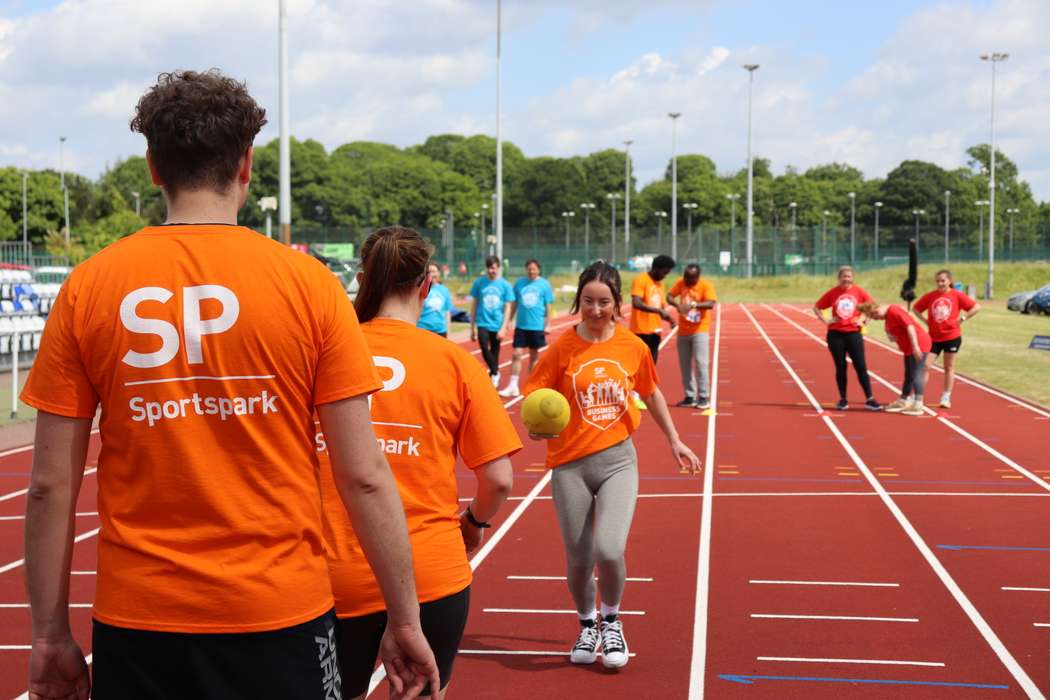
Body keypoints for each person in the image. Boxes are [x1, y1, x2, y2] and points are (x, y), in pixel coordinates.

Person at [19, 70, 438, 700]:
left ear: (153, 167)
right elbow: (365, 473)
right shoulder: (309, 285)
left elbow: (51, 486)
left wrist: (49, 633)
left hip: (140, 620)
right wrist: (404, 617)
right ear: (246, 164)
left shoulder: (90, 286)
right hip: (280, 614)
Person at [319, 227, 520, 700]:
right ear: (425, 286)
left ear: (364, 279)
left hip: (333, 573)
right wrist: (474, 522)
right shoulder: (455, 363)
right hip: (429, 572)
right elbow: (499, 479)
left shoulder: (321, 355)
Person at [523, 261, 700, 671]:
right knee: (580, 558)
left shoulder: (632, 346)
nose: (596, 309)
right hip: (569, 464)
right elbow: (535, 394)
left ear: (617, 303)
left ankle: (612, 619)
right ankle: (587, 624)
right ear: (579, 301)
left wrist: (674, 439)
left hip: (618, 460)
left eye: (604, 302)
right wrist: (538, 427)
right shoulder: (563, 348)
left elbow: (651, 393)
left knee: (609, 548)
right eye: (588, 301)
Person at [813, 266, 881, 411]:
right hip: (835, 335)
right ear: (839, 278)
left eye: (849, 276)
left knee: (861, 366)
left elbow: (872, 306)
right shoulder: (833, 293)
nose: (846, 279)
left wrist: (864, 319)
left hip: (853, 334)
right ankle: (843, 399)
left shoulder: (859, 291)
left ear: (853, 278)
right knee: (841, 367)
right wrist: (826, 320)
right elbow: (817, 307)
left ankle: (870, 399)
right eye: (844, 276)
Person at [911, 269, 980, 409]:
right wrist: (926, 321)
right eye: (937, 281)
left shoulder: (957, 295)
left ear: (949, 281)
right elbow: (916, 308)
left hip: (951, 337)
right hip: (933, 338)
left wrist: (962, 319)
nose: (940, 283)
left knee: (948, 367)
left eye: (943, 281)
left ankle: (946, 396)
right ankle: (918, 396)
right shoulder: (931, 296)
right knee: (925, 366)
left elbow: (976, 307)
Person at [859, 301, 932, 416]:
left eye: (874, 317)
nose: (876, 319)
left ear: (876, 311)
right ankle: (903, 400)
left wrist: (915, 346)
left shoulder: (894, 311)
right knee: (909, 375)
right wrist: (894, 338)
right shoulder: (888, 317)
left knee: (917, 373)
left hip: (919, 343)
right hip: (909, 347)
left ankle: (918, 404)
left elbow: (910, 326)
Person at [499, 259, 554, 398]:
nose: (531, 271)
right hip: (521, 326)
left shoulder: (544, 285)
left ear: (538, 270)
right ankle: (513, 386)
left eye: (534, 269)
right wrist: (510, 320)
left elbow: (549, 306)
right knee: (516, 354)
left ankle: (531, 385)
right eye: (529, 269)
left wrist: (548, 323)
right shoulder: (519, 284)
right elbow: (514, 303)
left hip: (536, 326)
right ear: (526, 270)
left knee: (534, 355)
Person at [666, 264, 717, 409]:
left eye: (691, 277)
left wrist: (692, 305)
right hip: (683, 330)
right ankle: (690, 396)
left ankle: (703, 396)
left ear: (698, 276)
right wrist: (677, 306)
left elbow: (710, 303)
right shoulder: (681, 283)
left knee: (701, 364)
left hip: (700, 329)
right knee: (685, 365)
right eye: (686, 276)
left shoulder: (706, 286)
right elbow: (669, 296)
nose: (687, 279)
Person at [628, 254, 676, 409]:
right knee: (637, 366)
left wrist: (668, 317)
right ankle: (633, 397)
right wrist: (658, 311)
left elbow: (660, 307)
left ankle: (642, 395)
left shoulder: (659, 285)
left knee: (650, 367)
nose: (665, 276)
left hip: (655, 331)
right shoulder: (641, 280)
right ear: (656, 268)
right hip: (640, 330)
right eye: (664, 272)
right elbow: (636, 303)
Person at [470, 255, 514, 387]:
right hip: (482, 322)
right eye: (489, 268)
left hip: (497, 323)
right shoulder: (479, 283)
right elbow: (474, 304)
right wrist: (472, 327)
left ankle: (493, 375)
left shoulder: (505, 285)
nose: (492, 271)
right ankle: (495, 372)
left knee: (495, 351)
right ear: (486, 268)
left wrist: (504, 327)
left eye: (494, 268)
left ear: (499, 268)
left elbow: (508, 307)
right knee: (484, 347)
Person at [417, 262, 455, 337]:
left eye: (434, 271)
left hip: (440, 331)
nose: (431, 274)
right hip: (422, 330)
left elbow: (447, 312)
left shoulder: (445, 290)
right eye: (429, 272)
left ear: (439, 273)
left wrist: (449, 332)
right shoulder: (419, 289)